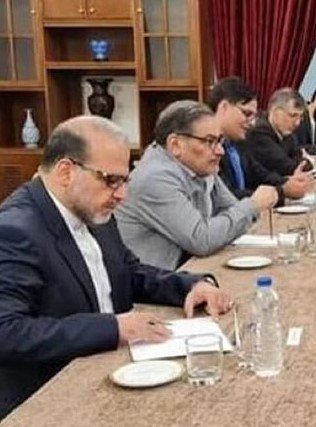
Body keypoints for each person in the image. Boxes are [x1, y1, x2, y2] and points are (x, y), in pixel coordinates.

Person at [0, 116, 232, 418]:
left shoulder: (91, 208)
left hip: (115, 371)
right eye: (111, 180)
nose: (122, 195)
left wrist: (191, 285)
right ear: (66, 171)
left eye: (125, 181)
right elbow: (7, 332)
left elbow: (129, 272)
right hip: (50, 401)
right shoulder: (15, 230)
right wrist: (113, 328)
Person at [116, 101, 278, 270]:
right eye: (209, 141)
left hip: (186, 273)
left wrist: (245, 212)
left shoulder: (198, 166)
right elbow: (202, 240)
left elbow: (233, 212)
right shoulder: (154, 178)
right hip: (155, 281)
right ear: (175, 145)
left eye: (220, 141)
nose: (220, 151)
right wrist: (253, 205)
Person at [205, 77, 312, 201]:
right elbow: (227, 197)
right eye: (247, 114)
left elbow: (258, 173)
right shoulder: (205, 146)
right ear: (224, 107)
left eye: (253, 116)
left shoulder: (237, 141)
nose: (251, 123)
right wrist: (280, 192)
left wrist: (286, 183)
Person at [246, 88, 313, 177]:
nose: (297, 123)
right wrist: (304, 161)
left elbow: (298, 155)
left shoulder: (287, 133)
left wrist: (301, 160)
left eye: (300, 117)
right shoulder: (259, 132)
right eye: (293, 115)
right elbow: (287, 167)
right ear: (276, 111)